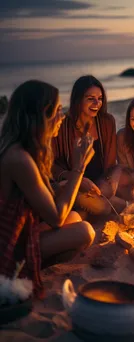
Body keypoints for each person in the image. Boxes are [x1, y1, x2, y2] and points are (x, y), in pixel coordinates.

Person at [0, 80, 95, 297]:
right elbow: (56, 217)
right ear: (42, 115)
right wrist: (78, 168)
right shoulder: (19, 158)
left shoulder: (20, 149)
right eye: (58, 111)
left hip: (20, 233)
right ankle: (24, 272)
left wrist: (59, 184)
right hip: (8, 248)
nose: (62, 117)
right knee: (85, 231)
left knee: (76, 217)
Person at [52, 75, 126, 217]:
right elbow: (51, 165)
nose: (97, 103)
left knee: (109, 192)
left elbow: (110, 164)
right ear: (78, 100)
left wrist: (107, 182)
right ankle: (123, 206)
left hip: (99, 185)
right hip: (72, 185)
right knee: (101, 208)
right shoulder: (63, 126)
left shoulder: (107, 121)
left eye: (100, 98)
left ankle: (83, 211)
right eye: (90, 98)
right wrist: (76, 179)